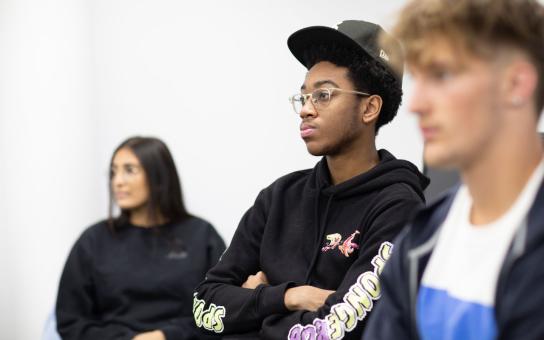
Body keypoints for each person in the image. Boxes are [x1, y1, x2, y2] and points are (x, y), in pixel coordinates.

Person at [193, 20, 429, 340]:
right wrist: (289, 297)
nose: (306, 109)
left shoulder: (398, 207)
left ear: (370, 108)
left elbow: (339, 329)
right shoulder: (279, 197)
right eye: (304, 97)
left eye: (324, 95)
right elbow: (204, 308)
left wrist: (254, 304)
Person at [364, 1, 544, 339]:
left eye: (441, 75)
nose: (415, 105)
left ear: (517, 83)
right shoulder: (421, 239)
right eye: (418, 79)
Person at [56, 136, 226, 340]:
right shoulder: (93, 240)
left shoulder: (202, 235)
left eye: (129, 170)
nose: (117, 181)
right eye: (113, 172)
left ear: (159, 177)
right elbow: (71, 322)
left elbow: (221, 311)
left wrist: (167, 336)